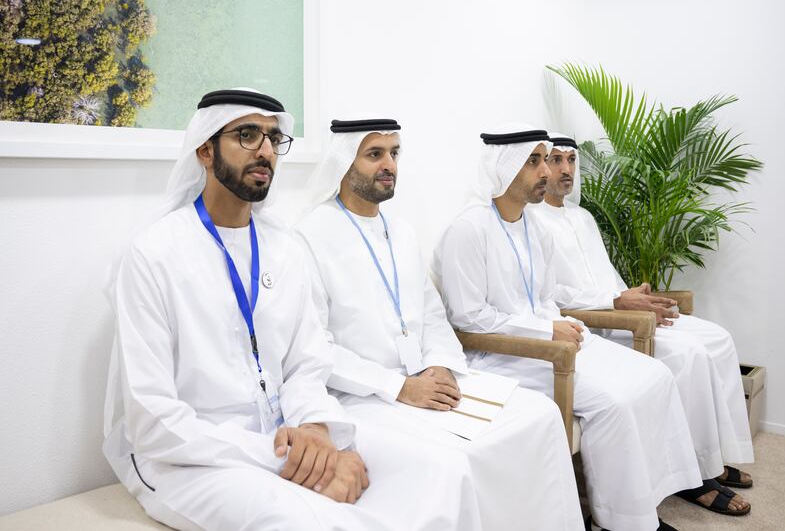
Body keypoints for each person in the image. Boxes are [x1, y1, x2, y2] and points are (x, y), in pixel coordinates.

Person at [102, 90, 481, 531]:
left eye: (273, 137)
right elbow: (154, 423)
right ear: (205, 150)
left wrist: (317, 431)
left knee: (441, 474)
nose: (265, 150)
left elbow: (306, 366)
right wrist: (290, 456)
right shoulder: (153, 254)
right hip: (187, 459)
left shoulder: (283, 249)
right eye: (247, 135)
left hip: (287, 433)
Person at [295, 117, 584, 531]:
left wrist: (440, 365)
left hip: (426, 378)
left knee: (539, 416)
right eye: (374, 154)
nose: (389, 164)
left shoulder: (402, 231)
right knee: (458, 461)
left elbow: (432, 315)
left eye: (394, 153)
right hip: (363, 394)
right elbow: (314, 347)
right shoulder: (309, 235)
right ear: (344, 161)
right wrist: (400, 387)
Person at [433, 124, 703, 531]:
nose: (545, 171)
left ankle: (643, 503)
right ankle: (618, 521)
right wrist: (547, 333)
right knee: (612, 403)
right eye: (534, 161)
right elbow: (469, 320)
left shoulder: (533, 226)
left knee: (654, 374)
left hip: (551, 341)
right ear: (503, 168)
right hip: (501, 356)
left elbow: (543, 300)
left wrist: (561, 323)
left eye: (545, 160)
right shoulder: (468, 229)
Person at [533, 132, 754, 516]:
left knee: (718, 338)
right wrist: (618, 302)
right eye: (555, 160)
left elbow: (605, 277)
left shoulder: (583, 217)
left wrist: (639, 297)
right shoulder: (532, 221)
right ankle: (695, 478)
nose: (566, 169)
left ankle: (710, 457)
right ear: (538, 166)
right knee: (690, 355)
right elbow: (552, 295)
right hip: (601, 322)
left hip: (625, 309)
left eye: (571, 160)